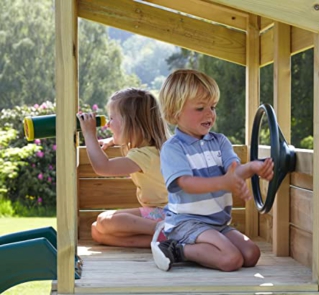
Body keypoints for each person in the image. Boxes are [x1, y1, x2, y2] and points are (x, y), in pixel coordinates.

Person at [151, 69, 274, 271]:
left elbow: (233, 171)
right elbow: (186, 183)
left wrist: (253, 168)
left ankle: (200, 248)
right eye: (200, 108)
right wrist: (225, 183)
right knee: (231, 259)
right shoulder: (173, 148)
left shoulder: (220, 142)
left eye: (213, 107)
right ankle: (175, 249)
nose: (210, 113)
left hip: (217, 222)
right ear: (174, 113)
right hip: (187, 223)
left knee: (251, 254)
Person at [77, 88, 171, 248]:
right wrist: (112, 140)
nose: (107, 124)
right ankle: (165, 240)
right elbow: (128, 138)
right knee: (97, 230)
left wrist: (89, 135)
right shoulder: (150, 149)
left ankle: (163, 231)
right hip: (159, 213)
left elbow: (103, 167)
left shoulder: (144, 155)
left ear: (130, 123)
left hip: (166, 215)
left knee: (107, 221)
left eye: (112, 118)